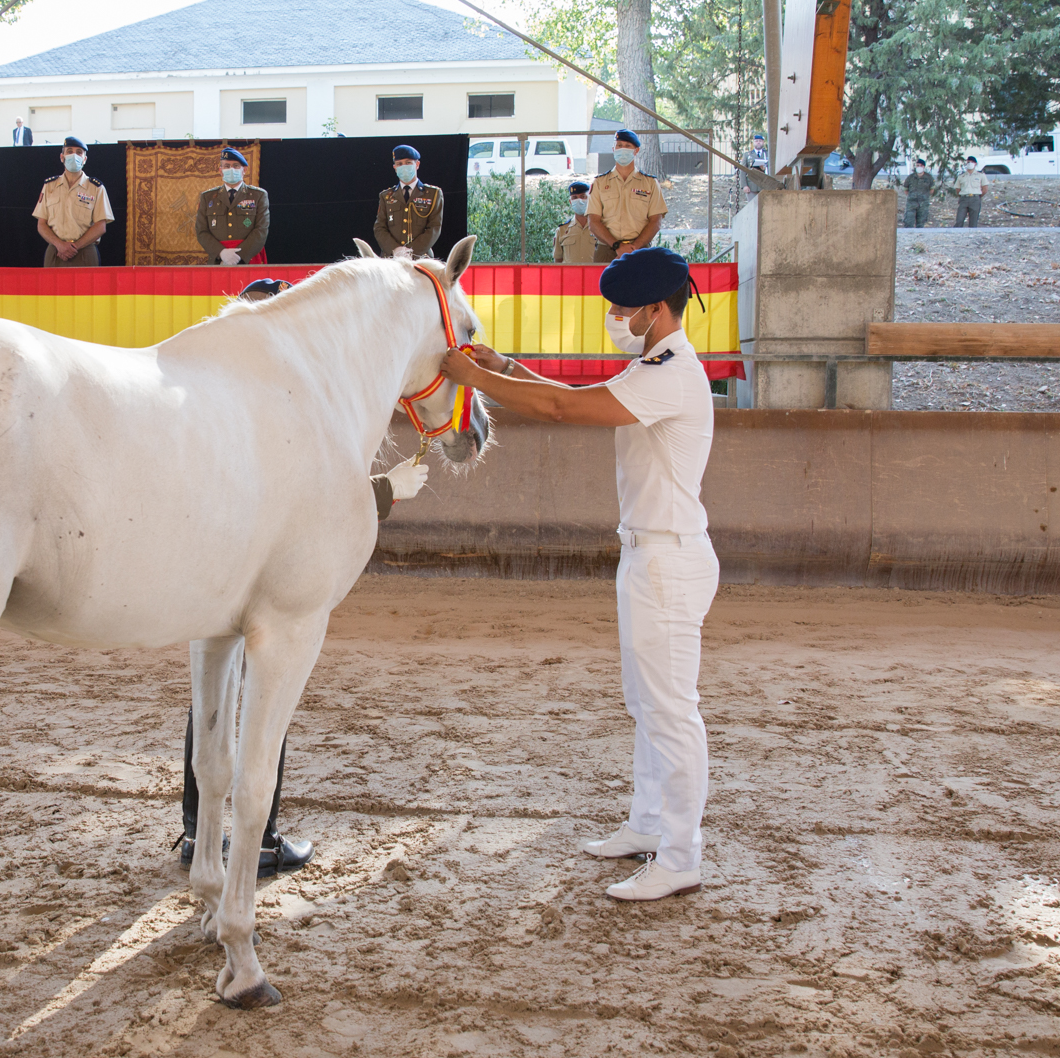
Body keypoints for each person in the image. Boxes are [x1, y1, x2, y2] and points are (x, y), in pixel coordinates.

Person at [438, 248, 719, 902]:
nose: (615, 318)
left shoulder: (672, 371)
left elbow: (567, 412)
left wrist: (474, 378)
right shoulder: (652, 366)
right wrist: (505, 367)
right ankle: (650, 824)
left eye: (623, 309)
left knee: (673, 711)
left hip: (669, 559)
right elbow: (577, 398)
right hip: (650, 553)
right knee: (646, 703)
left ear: (656, 309)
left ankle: (680, 854)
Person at [178, 272, 431, 877]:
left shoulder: (219, 386)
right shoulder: (276, 393)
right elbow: (300, 501)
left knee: (212, 699)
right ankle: (256, 841)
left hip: (215, 566)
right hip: (257, 573)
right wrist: (383, 493)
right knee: (264, 695)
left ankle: (197, 835)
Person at [588, 129, 668, 264]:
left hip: (639, 249)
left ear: (636, 151)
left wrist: (634, 247)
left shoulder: (650, 183)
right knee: (603, 285)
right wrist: (617, 246)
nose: (622, 149)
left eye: (627, 146)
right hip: (607, 250)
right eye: (619, 145)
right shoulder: (600, 183)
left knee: (640, 285)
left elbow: (656, 221)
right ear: (613, 148)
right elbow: (594, 222)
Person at [34, 137, 115, 267]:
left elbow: (101, 226)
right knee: (51, 288)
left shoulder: (96, 188)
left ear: (84, 159)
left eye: (79, 152)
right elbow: (41, 224)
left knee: (87, 288)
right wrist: (60, 245)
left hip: (84, 251)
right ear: (62, 157)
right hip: (55, 251)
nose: (74, 155)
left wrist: (74, 247)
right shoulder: (49, 186)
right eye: (69, 151)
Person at [195, 147, 270, 266]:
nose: (231, 169)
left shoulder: (258, 195)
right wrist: (222, 253)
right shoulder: (207, 197)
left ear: (244, 170)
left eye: (235, 166)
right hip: (219, 261)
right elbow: (202, 231)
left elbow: (261, 230)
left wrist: (239, 256)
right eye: (226, 166)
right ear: (220, 171)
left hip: (248, 260)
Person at [374, 144, 443, 259]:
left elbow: (434, 227)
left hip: (421, 258)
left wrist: (412, 252)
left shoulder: (433, 194)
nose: (403, 166)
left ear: (417, 164)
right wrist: (395, 249)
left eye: (408, 162)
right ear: (394, 167)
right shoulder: (386, 196)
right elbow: (379, 227)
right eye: (399, 164)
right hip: (392, 258)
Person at [553, 180, 598, 264]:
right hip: (570, 276)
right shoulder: (562, 230)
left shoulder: (599, 228)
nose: (579, 200)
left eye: (583, 196)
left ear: (590, 199)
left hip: (594, 276)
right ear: (570, 202)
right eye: (575, 198)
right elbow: (558, 261)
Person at [955, 156, 990, 228]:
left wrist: (977, 196)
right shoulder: (961, 176)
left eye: (971, 162)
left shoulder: (980, 175)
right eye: (968, 162)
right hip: (964, 199)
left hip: (975, 199)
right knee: (959, 220)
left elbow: (985, 189)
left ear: (975, 164)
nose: (969, 164)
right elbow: (958, 189)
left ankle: (971, 236)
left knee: (973, 222)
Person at [903, 159, 934, 228]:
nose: (919, 167)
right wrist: (911, 196)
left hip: (923, 203)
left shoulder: (929, 177)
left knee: (921, 222)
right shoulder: (910, 177)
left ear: (924, 166)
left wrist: (925, 196)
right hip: (911, 203)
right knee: (909, 220)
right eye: (917, 165)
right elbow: (905, 189)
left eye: (921, 165)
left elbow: (932, 189)